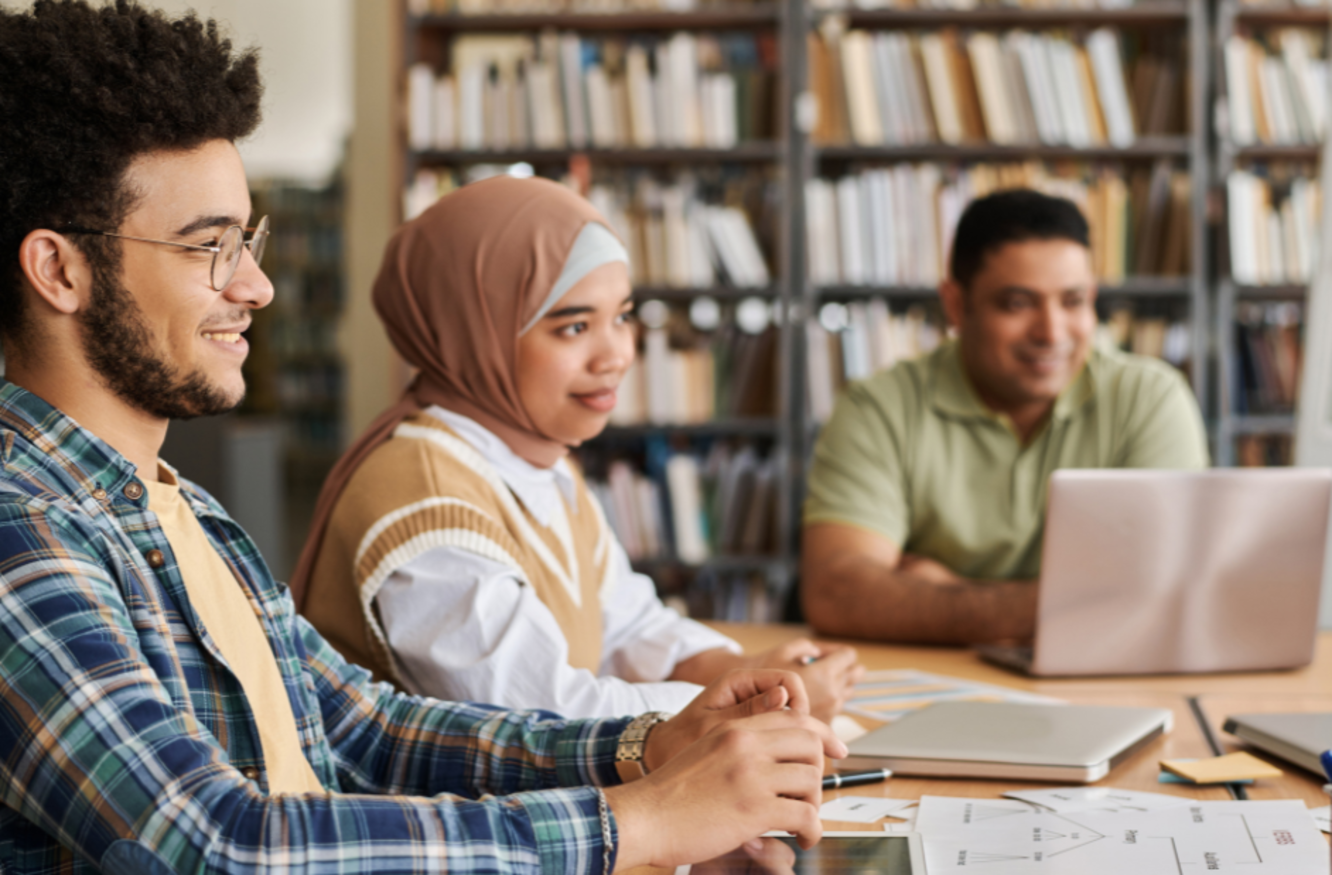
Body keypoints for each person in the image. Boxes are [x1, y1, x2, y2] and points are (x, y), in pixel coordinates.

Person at [0, 3, 846, 873]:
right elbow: (216, 845)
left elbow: (359, 728)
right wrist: (639, 821)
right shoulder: (19, 536)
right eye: (208, 246)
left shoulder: (183, 510)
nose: (255, 286)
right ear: (60, 270)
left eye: (246, 240)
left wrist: (648, 746)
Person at [290, 176, 863, 723]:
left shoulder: (537, 462)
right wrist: (748, 702)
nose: (615, 355)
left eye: (623, 316)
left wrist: (751, 673)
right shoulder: (422, 501)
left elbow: (631, 628)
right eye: (573, 327)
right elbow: (545, 718)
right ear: (475, 333)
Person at [801, 189, 1209, 646]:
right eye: (1017, 303)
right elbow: (837, 592)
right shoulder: (879, 407)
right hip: (934, 691)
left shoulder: (1150, 399)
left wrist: (943, 590)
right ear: (956, 305)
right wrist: (1078, 603)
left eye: (1072, 301)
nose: (1051, 333)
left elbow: (1168, 595)